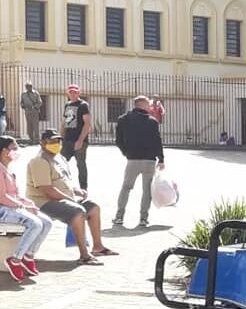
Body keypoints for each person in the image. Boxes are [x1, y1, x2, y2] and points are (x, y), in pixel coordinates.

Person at [26, 129, 116, 265]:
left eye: (58, 141)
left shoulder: (59, 158)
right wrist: (70, 200)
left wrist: (77, 191)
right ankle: (84, 255)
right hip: (44, 202)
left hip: (64, 199)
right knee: (78, 212)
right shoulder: (39, 161)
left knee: (93, 207)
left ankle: (98, 247)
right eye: (51, 141)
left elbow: (64, 182)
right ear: (42, 143)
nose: (56, 144)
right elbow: (47, 190)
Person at [0, 136, 52, 281]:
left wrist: (30, 205)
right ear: (4, 151)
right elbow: (2, 197)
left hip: (13, 207)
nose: (17, 151)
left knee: (47, 222)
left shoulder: (9, 170)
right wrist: (22, 207)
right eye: (14, 148)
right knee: (35, 223)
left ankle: (28, 256)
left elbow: (16, 195)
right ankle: (15, 260)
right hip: (3, 210)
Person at [114, 96, 165, 228]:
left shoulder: (123, 119)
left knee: (126, 187)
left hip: (132, 159)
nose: (150, 107)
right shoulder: (152, 122)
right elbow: (157, 141)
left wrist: (126, 152)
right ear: (142, 105)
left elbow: (118, 140)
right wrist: (161, 158)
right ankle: (143, 218)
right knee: (147, 190)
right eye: (148, 104)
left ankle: (119, 217)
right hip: (149, 160)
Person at [60, 84, 91, 190]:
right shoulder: (67, 105)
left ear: (79, 93)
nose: (73, 94)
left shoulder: (83, 105)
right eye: (71, 92)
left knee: (81, 165)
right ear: (68, 93)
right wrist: (61, 137)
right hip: (68, 140)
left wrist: (80, 140)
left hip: (79, 140)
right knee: (61, 163)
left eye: (75, 92)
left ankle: (83, 188)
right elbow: (65, 122)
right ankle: (62, 186)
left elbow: (87, 124)